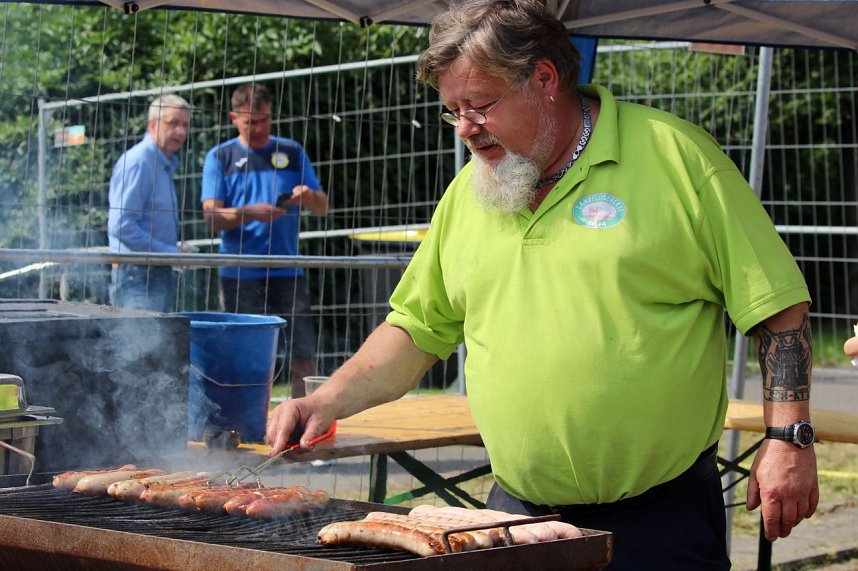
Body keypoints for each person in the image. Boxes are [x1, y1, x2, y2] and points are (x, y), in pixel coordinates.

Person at [265, 1, 818, 567]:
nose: (464, 130)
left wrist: (788, 438)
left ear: (545, 79)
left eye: (479, 106)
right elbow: (416, 329)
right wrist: (325, 399)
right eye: (451, 110)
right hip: (513, 518)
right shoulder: (470, 193)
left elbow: (774, 306)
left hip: (659, 523)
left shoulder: (677, 158)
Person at [202, 83, 328, 397]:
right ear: (233, 118)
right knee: (244, 354)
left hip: (288, 270)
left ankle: (302, 419)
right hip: (240, 274)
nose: (258, 129)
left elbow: (323, 207)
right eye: (250, 122)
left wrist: (308, 196)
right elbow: (211, 219)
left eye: (265, 120)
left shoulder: (292, 151)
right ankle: (247, 420)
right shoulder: (220, 157)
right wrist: (249, 213)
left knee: (303, 351)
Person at [108, 94, 191, 313]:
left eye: (185, 124)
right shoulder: (138, 162)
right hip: (137, 275)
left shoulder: (162, 163)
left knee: (154, 344)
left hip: (152, 272)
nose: (181, 131)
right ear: (152, 124)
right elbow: (121, 225)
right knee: (139, 345)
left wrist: (170, 253)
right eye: (173, 123)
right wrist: (169, 253)